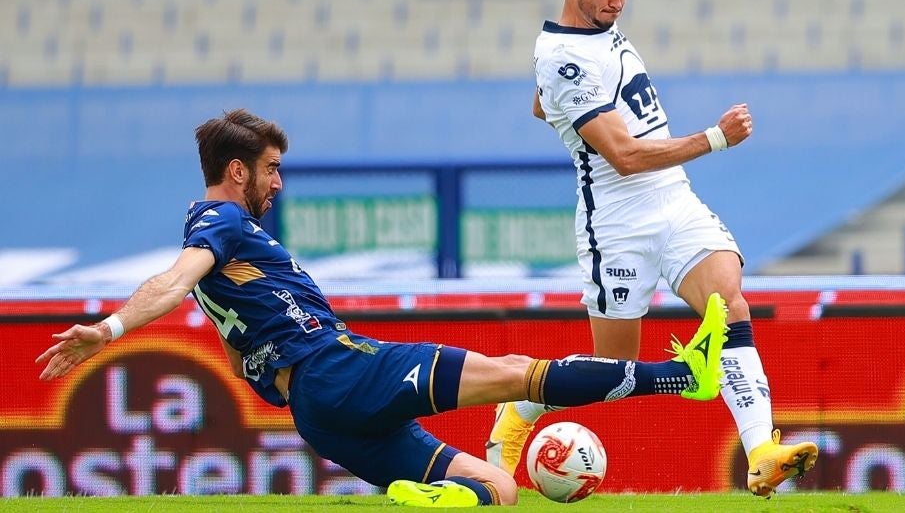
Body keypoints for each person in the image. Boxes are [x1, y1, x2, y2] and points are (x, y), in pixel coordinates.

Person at [36, 108, 731, 508]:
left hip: (318, 413)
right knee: (518, 371)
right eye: (271, 168)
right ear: (239, 171)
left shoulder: (223, 239)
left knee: (499, 487)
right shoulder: (221, 225)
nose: (278, 182)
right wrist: (110, 327)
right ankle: (684, 378)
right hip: (336, 370)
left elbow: (219, 317)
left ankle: (433, 497)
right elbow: (173, 279)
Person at [485, 0, 818, 498]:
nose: (617, 2)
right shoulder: (562, 54)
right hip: (616, 221)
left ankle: (762, 453)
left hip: (674, 201)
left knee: (728, 301)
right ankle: (521, 406)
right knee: (614, 368)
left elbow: (542, 107)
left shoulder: (590, 37)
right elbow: (626, 156)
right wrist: (715, 138)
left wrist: (565, 109)